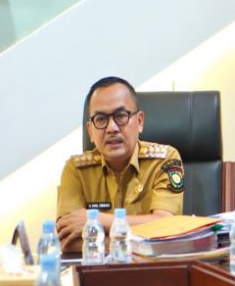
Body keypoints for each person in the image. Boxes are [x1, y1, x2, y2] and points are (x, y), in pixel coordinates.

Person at [56, 76, 184, 253]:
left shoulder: (165, 160)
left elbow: (166, 225)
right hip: (97, 269)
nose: (112, 128)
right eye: (101, 119)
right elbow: (67, 241)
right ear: (90, 131)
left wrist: (96, 220)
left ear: (139, 122)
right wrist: (138, 239)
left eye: (121, 116)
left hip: (152, 267)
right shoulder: (75, 170)